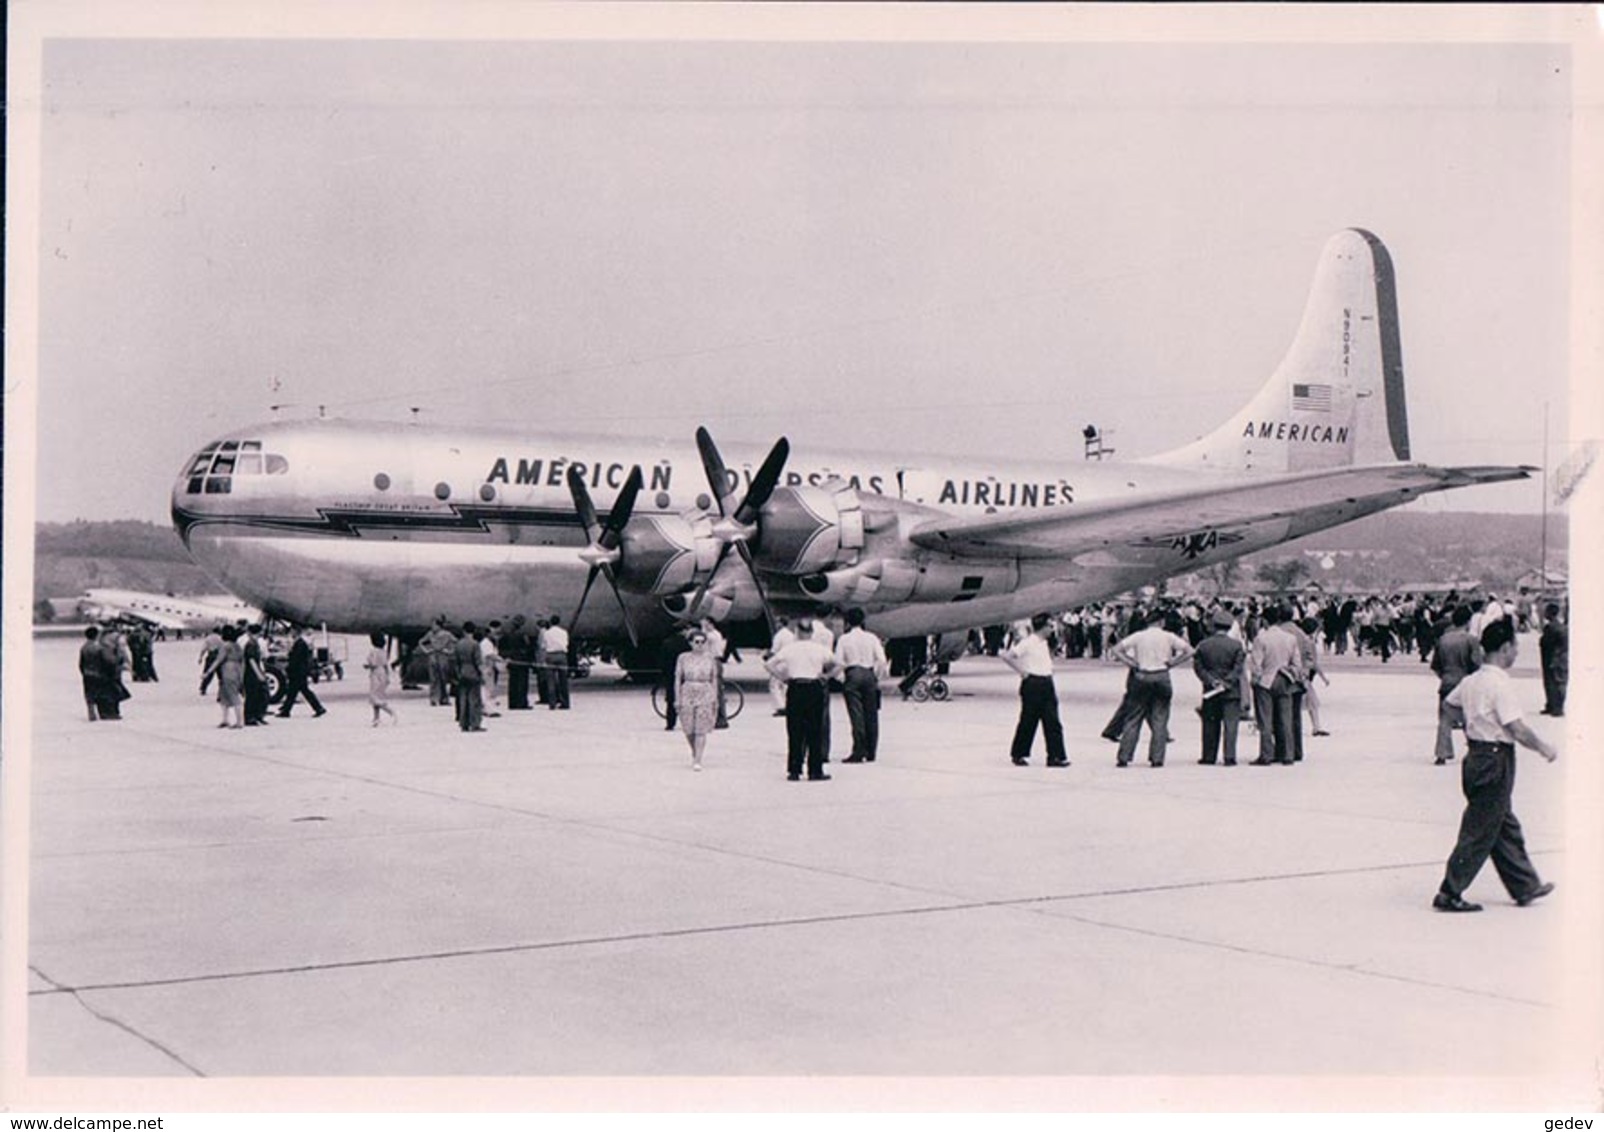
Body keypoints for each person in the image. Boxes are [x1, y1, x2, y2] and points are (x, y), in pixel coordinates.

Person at [1432, 618, 1559, 912]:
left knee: (1504, 824)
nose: (1516, 653)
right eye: (1514, 647)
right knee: (1479, 829)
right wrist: (1543, 748)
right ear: (1504, 648)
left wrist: (1470, 725)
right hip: (1495, 759)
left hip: (1477, 756)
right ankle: (1450, 891)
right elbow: (1516, 728)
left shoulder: (1472, 680)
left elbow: (1449, 707)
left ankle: (1525, 885)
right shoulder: (1499, 684)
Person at [1108, 610, 1194, 767]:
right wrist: (1173, 663)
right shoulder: (1168, 636)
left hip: (1142, 675)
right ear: (1161, 622)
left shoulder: (1139, 636)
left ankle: (1124, 756)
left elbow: (1116, 650)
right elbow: (1189, 651)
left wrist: (1132, 663)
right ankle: (1157, 758)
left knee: (1134, 717)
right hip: (1161, 675)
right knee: (1160, 719)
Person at [764, 619, 840, 781]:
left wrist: (783, 677)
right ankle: (815, 770)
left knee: (794, 729)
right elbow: (839, 664)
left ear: (797, 632)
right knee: (815, 729)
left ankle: (794, 769)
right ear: (812, 633)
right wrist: (826, 676)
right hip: (814, 687)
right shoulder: (819, 649)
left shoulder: (790, 649)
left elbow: (769, 664)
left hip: (796, 687)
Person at [1000, 613, 1069, 767]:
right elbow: (1008, 656)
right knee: (1028, 720)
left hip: (1046, 681)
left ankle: (1055, 756)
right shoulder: (1029, 642)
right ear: (1042, 627)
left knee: (1053, 721)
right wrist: (1023, 672)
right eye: (1049, 626)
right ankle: (1018, 753)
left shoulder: (1045, 643)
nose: (1052, 629)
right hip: (1033, 682)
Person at [1248, 606, 1302, 765]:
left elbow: (1256, 664)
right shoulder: (1290, 638)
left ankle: (1266, 754)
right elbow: (1297, 663)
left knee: (1265, 719)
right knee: (1285, 719)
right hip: (1284, 678)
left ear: (1264, 620)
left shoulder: (1261, 638)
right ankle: (1287, 754)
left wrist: (1255, 681)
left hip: (1266, 679)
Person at [1192, 608, 1246, 766]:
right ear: (1230, 627)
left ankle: (1209, 756)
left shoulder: (1203, 645)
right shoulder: (1236, 646)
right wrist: (1227, 682)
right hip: (1231, 691)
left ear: (1213, 626)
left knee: (1210, 723)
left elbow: (1198, 667)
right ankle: (1229, 756)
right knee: (1231, 725)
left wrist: (1211, 681)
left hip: (1210, 690)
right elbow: (1238, 668)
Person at [1430, 604, 1482, 765]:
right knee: (1470, 718)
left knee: (1445, 719)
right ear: (1467, 621)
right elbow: (1476, 664)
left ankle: (1442, 753)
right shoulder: (1471, 640)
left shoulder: (1443, 639)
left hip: (1446, 682)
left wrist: (1445, 675)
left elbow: (1435, 665)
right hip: (1465, 682)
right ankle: (1476, 749)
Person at [835, 608, 889, 763]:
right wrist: (877, 676)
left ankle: (859, 750)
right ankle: (871, 751)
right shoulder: (872, 638)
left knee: (856, 714)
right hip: (869, 673)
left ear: (847, 622)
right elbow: (882, 659)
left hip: (853, 673)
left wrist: (842, 678)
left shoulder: (844, 639)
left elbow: (839, 662)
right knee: (871, 714)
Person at [674, 629, 720, 771]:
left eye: (702, 642)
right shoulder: (683, 658)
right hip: (687, 690)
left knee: (701, 728)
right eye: (696, 642)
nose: (699, 645)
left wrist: (715, 698)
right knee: (688, 728)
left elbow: (714, 679)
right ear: (690, 643)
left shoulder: (710, 658)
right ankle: (695, 752)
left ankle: (698, 759)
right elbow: (677, 678)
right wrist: (677, 698)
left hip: (705, 690)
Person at [276, 628, 328, 718]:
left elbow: (296, 659)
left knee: (301, 691)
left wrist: (288, 666)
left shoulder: (300, 644)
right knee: (294, 692)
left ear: (296, 633)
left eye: (292, 632)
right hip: (299, 671)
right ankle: (286, 710)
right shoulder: (299, 643)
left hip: (298, 672)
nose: (291, 634)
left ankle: (318, 708)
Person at [202, 624, 245, 729]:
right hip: (237, 669)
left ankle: (239, 721)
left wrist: (208, 672)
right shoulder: (237, 646)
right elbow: (242, 660)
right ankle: (225, 720)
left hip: (227, 670)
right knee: (224, 696)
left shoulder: (225, 646)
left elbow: (218, 660)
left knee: (232, 695)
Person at [78, 626, 118, 721]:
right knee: (102, 694)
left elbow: (81, 663)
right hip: (100, 674)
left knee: (89, 694)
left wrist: (84, 672)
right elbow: (108, 661)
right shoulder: (100, 648)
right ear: (97, 635)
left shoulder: (84, 647)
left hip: (88, 674)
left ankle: (91, 713)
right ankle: (104, 713)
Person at [453, 622, 486, 732]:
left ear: (463, 630)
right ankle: (475, 723)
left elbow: (455, 661)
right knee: (475, 700)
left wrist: (457, 673)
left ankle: (464, 723)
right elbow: (478, 662)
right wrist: (483, 675)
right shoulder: (475, 644)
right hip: (473, 673)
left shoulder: (458, 644)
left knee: (463, 699)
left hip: (462, 672)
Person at [1538, 603, 1567, 717]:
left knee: (1552, 683)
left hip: (1551, 658)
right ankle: (1553, 706)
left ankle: (1556, 707)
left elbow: (1545, 642)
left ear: (1550, 613)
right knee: (1556, 682)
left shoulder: (1550, 627)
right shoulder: (1560, 626)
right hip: (1558, 658)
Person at [421, 616, 457, 707]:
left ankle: (444, 698)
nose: (432, 627)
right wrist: (426, 650)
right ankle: (433, 698)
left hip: (443, 656)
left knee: (443, 678)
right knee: (433, 678)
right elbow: (421, 642)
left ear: (439, 626)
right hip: (433, 655)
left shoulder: (447, 634)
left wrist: (449, 651)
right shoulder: (430, 634)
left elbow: (456, 642)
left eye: (434, 625)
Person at [364, 631, 399, 726]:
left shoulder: (373, 651)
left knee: (374, 697)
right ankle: (376, 718)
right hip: (383, 673)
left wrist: (366, 666)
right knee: (378, 695)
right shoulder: (384, 652)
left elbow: (372, 663)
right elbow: (385, 665)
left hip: (376, 674)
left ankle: (391, 712)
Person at [501, 614, 533, 710]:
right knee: (522, 682)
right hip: (522, 660)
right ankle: (522, 703)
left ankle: (512, 702)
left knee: (513, 682)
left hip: (512, 660)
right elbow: (527, 647)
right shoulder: (523, 634)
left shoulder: (508, 634)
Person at [765, 616, 794, 715]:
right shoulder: (791, 635)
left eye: (778, 622)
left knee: (774, 685)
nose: (777, 624)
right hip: (789, 662)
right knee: (785, 685)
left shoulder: (779, 635)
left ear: (781, 624)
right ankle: (788, 704)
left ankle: (780, 707)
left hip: (779, 663)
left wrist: (767, 658)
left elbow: (774, 651)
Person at [198, 624, 224, 695]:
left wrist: (200, 657)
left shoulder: (208, 638)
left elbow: (203, 649)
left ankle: (203, 688)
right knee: (221, 676)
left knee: (208, 673)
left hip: (210, 657)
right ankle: (221, 691)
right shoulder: (221, 638)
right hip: (218, 657)